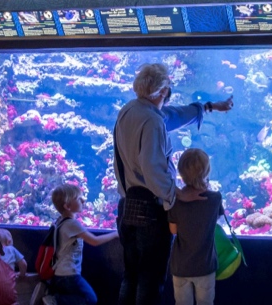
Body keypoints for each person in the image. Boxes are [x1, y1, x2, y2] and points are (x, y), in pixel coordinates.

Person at [114, 63, 234, 305]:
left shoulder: (130, 110)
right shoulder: (152, 121)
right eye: (167, 92)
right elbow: (152, 166)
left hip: (126, 208)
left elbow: (175, 115)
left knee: (131, 276)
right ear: (161, 92)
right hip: (150, 212)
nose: (168, 97)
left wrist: (209, 107)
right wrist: (176, 193)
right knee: (150, 278)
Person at [168, 148, 224, 305]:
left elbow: (173, 230)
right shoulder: (215, 198)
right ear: (206, 170)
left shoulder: (176, 200)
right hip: (205, 266)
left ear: (180, 172)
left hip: (181, 267)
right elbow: (216, 221)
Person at [49, 184, 119, 305]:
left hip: (60, 274)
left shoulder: (60, 221)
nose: (83, 200)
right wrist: (116, 234)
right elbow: (94, 241)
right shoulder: (72, 224)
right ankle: (55, 300)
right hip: (68, 275)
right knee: (90, 299)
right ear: (67, 206)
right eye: (78, 198)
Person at [0, 228, 27, 305]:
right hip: (8, 288)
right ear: (9, 242)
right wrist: (22, 274)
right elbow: (23, 264)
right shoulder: (11, 249)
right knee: (13, 301)